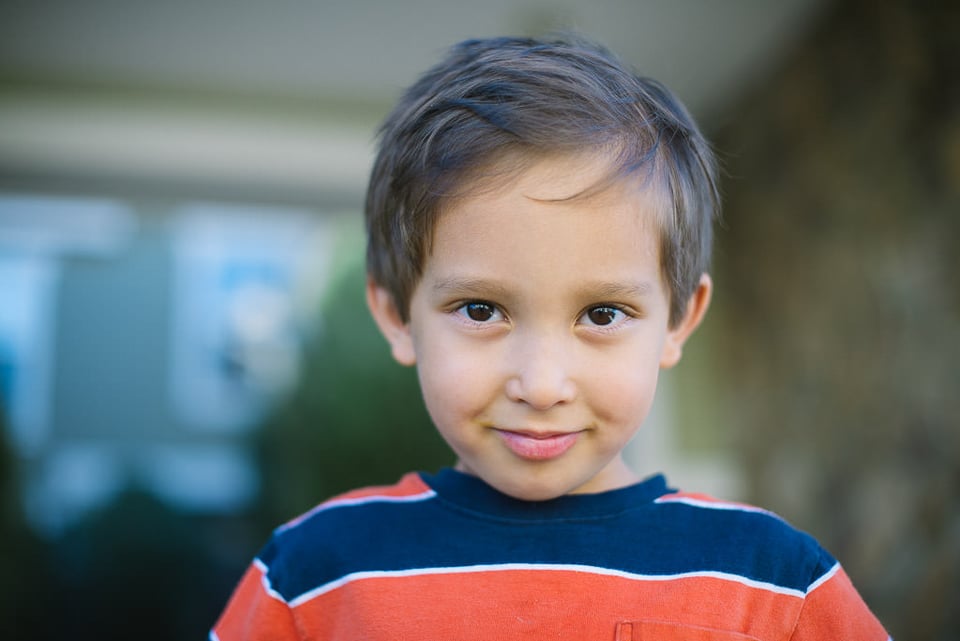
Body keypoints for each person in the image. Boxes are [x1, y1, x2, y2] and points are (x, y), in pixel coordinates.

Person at [210, 35, 889, 640]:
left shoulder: (774, 585)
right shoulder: (314, 577)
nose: (540, 385)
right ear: (396, 313)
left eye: (601, 314)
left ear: (679, 320)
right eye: (481, 309)